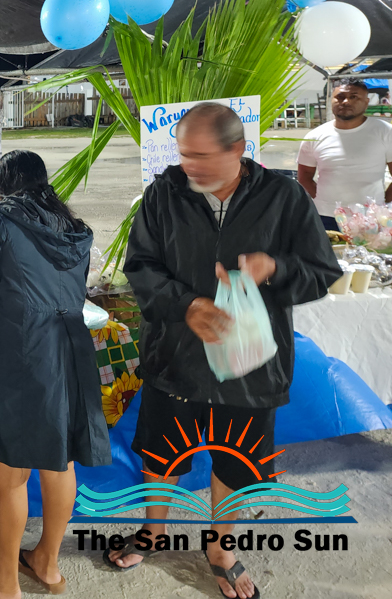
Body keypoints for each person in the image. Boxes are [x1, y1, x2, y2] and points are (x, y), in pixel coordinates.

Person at [114, 103, 340, 599]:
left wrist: (274, 269)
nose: (188, 166)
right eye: (183, 154)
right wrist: (187, 305)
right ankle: (154, 529)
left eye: (201, 155)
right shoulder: (163, 194)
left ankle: (220, 548)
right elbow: (141, 266)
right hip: (175, 354)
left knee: (237, 460)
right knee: (161, 451)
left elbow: (322, 272)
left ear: (237, 148)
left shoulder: (283, 197)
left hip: (249, 364)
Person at [0, 150, 110, 599]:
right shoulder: (73, 226)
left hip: (14, 354)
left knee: (10, 474)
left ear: (0, 187)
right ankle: (47, 564)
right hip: (67, 351)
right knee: (60, 461)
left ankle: (5, 583)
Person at [297, 79, 392, 230]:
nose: (346, 101)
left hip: (371, 219)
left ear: (366, 102)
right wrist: (324, 202)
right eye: (340, 97)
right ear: (331, 100)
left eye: (354, 97)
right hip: (325, 217)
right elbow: (304, 176)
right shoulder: (314, 137)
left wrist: (381, 204)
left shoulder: (385, 132)